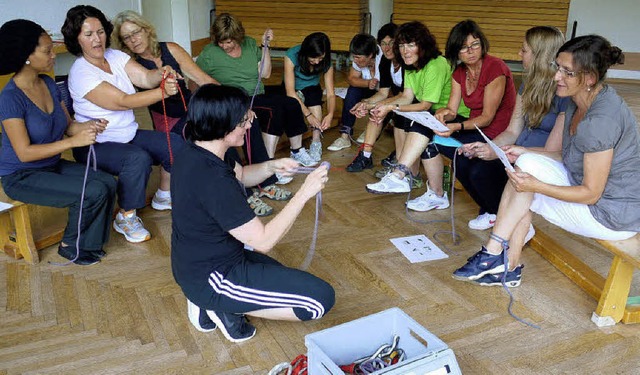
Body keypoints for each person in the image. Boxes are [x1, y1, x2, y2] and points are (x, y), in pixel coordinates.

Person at [452, 35, 640, 288]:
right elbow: (570, 157)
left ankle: (497, 257)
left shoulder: (599, 122)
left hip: (610, 215)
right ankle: (501, 259)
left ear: (590, 78)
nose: (556, 77)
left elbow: (591, 194)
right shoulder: (582, 99)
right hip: (594, 192)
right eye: (558, 67)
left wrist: (536, 186)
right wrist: (521, 151)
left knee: (524, 187)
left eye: (567, 72)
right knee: (525, 166)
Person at [171, 84, 335, 343]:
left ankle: (216, 299)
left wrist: (273, 165)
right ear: (223, 126)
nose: (249, 125)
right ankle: (219, 305)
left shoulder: (199, 149)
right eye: (243, 121)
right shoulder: (212, 179)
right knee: (318, 301)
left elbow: (244, 176)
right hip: (213, 275)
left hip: (209, 259)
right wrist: (305, 193)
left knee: (285, 279)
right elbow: (263, 241)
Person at [62, 5, 184, 243]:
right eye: (88, 35)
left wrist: (162, 74)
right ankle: (125, 217)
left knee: (175, 144)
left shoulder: (115, 57)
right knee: (137, 158)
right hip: (95, 144)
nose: (97, 39)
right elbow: (122, 101)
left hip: (126, 134)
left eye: (100, 32)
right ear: (77, 39)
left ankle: (163, 195)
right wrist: (163, 92)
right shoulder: (81, 72)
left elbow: (145, 78)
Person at [0, 19, 116, 265]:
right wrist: (73, 143)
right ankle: (70, 245)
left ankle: (89, 244)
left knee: (105, 181)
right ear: (26, 56)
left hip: (50, 165)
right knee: (92, 191)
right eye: (47, 50)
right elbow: (24, 153)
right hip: (21, 176)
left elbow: (68, 126)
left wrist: (87, 126)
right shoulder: (10, 98)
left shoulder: (49, 84)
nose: (54, 55)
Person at [458, 26, 568, 231]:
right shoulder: (528, 84)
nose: (519, 54)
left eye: (524, 50)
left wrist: (506, 152)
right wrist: (489, 147)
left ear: (540, 56)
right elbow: (512, 131)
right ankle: (497, 212)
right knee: (466, 161)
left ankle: (511, 218)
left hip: (537, 161)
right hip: (517, 152)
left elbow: (552, 152)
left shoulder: (564, 93)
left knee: (480, 172)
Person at [111, 10, 220, 211]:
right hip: (165, 117)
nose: (133, 40)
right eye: (126, 37)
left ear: (146, 30)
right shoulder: (129, 64)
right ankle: (199, 189)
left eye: (136, 32)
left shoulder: (170, 48)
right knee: (198, 133)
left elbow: (203, 79)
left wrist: (231, 102)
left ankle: (231, 182)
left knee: (220, 122)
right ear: (122, 42)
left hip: (189, 107)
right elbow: (133, 92)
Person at [411, 19, 515, 218]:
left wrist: (455, 125)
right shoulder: (460, 72)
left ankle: (493, 211)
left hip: (497, 133)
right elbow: (451, 107)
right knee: (457, 160)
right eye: (464, 47)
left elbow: (487, 117)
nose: (471, 51)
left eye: (475, 44)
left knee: (473, 169)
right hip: (475, 129)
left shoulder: (495, 67)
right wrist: (443, 113)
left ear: (482, 44)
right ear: (456, 52)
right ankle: (486, 209)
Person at [364, 21, 468, 199]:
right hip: (436, 114)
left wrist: (390, 107)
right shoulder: (410, 65)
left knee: (418, 122)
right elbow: (407, 96)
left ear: (423, 45)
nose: (405, 50)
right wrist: (385, 107)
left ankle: (400, 174)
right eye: (402, 45)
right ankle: (409, 179)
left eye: (411, 45)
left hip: (456, 115)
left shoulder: (436, 64)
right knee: (405, 117)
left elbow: (425, 105)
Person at [344, 23, 406, 173]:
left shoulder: (406, 62)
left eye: (391, 43)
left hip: (412, 102)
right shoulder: (385, 62)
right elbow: (383, 93)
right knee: (375, 112)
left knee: (391, 115)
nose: (387, 48)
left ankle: (401, 156)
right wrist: (365, 104)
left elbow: (404, 96)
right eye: (383, 44)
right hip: (397, 99)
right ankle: (365, 156)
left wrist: (375, 105)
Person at [283, 32, 336, 162]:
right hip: (293, 88)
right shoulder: (291, 55)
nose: (317, 61)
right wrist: (308, 115)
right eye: (313, 58)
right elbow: (290, 91)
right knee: (293, 105)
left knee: (315, 103)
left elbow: (330, 94)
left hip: (311, 87)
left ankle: (316, 142)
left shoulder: (327, 62)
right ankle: (296, 149)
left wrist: (330, 114)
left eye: (320, 58)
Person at [327, 33, 381, 152]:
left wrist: (373, 78)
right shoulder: (358, 60)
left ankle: (370, 129)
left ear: (370, 55)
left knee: (381, 98)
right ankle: (345, 136)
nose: (354, 60)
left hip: (385, 92)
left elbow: (386, 91)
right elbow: (352, 79)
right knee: (352, 93)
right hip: (372, 88)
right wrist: (368, 83)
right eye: (354, 56)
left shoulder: (383, 59)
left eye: (358, 57)